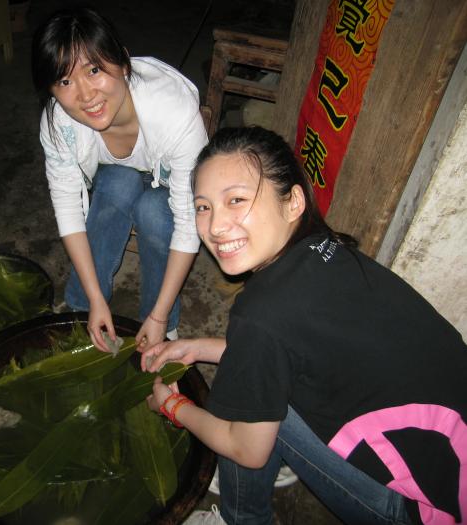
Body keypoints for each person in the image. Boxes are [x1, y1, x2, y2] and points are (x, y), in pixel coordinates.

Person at [142, 126, 467, 525]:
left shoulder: (262, 312)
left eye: (237, 200)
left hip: (423, 511)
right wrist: (198, 347)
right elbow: (286, 345)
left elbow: (246, 449)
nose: (215, 226)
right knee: (256, 377)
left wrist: (173, 406)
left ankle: (242, 518)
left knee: (242, 399)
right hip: (453, 464)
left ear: (293, 201)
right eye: (204, 206)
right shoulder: (327, 249)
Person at [31, 7, 208, 353]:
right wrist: (96, 299)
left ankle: (161, 320)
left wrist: (158, 318)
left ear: (123, 63)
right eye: (65, 81)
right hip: (118, 174)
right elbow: (67, 208)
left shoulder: (173, 112)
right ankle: (83, 306)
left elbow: (189, 222)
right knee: (116, 185)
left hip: (168, 184)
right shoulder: (58, 124)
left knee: (155, 212)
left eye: (94, 70)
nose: (85, 95)